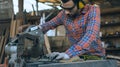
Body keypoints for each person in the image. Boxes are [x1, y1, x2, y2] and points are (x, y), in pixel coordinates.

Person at [19, 0, 105, 60]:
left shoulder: (93, 11)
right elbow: (47, 25)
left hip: (95, 57)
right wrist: (32, 29)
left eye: (70, 9)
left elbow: (90, 36)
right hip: (76, 57)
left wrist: (67, 54)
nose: (66, 12)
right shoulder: (63, 14)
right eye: (64, 8)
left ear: (80, 4)